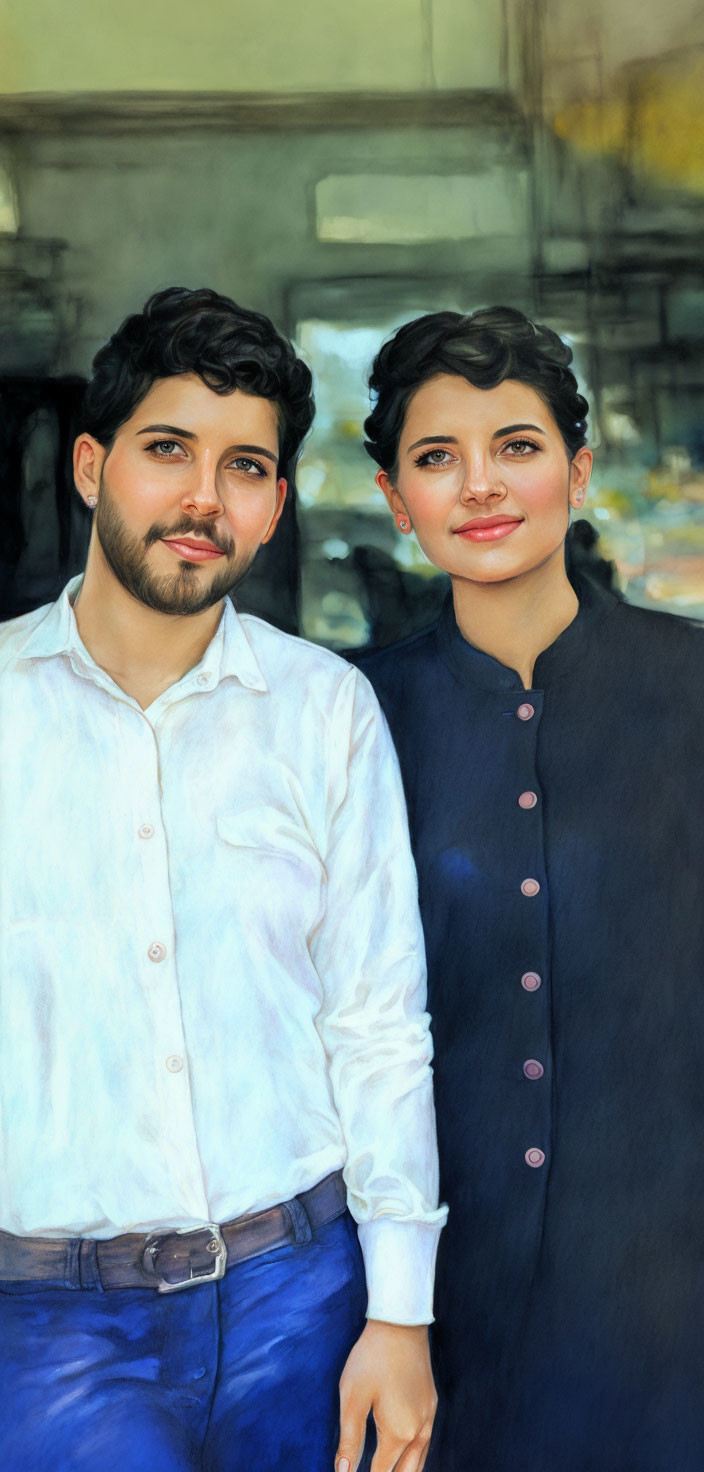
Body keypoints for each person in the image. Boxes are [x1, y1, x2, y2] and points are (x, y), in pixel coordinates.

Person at [0, 287, 446, 1472]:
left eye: (243, 465)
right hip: (50, 1327)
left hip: (301, 1296)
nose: (204, 496)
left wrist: (399, 1310)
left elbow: (377, 1022)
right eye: (166, 450)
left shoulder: (325, 713)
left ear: (274, 507)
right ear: (91, 467)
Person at [355, 306, 704, 1472]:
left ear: (578, 467)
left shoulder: (691, 686)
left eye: (515, 444)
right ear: (395, 499)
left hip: (665, 1289)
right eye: (434, 457)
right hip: (434, 1296)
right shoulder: (344, 718)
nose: (479, 485)